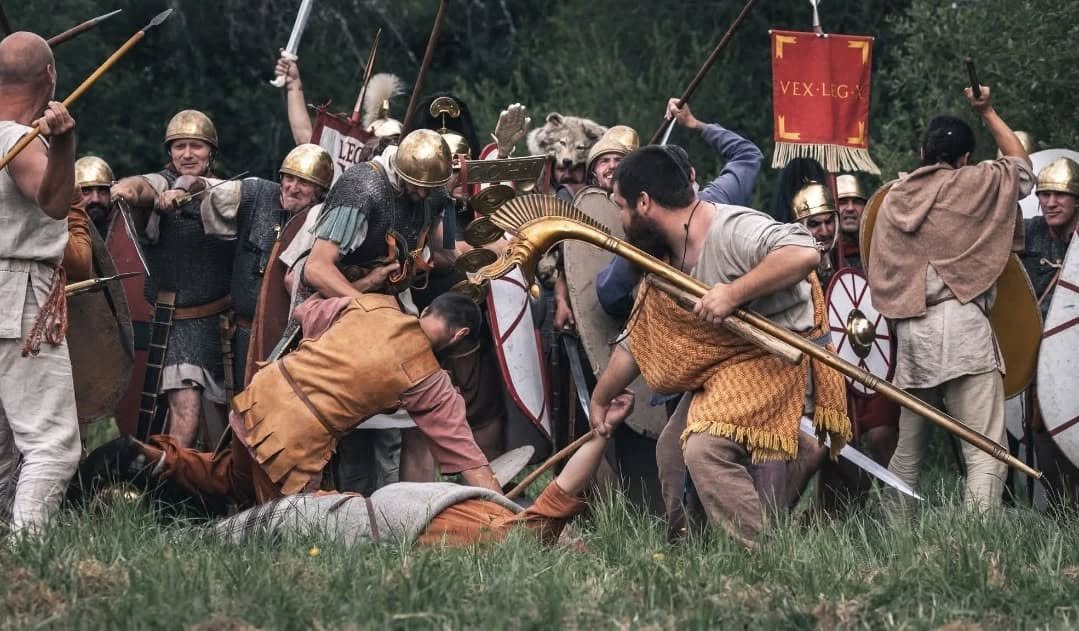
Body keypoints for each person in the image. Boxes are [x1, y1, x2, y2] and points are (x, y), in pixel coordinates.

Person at [589, 146, 850, 547]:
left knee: (705, 448)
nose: (621, 219)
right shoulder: (663, 255)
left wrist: (733, 293)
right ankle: (689, 549)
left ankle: (761, 555)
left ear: (645, 203)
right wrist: (602, 397)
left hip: (777, 358)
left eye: (622, 207)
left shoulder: (730, 229)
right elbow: (641, 338)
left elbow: (803, 251)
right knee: (672, 455)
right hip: (723, 364)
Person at [84, 292, 503, 511]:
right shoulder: (430, 379)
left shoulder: (374, 305)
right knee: (299, 525)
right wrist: (505, 512)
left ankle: (144, 457)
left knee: (233, 479)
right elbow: (470, 460)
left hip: (260, 397)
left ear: (428, 309)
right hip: (294, 438)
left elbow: (304, 312)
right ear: (460, 336)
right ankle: (199, 532)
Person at [866, 85, 1033, 512]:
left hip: (914, 332)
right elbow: (1022, 168)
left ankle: (895, 539)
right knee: (986, 451)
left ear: (922, 151)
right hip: (965, 330)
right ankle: (976, 548)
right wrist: (988, 110)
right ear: (964, 159)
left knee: (907, 453)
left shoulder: (893, 199)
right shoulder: (975, 184)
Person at [212, 391, 636, 548]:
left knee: (225, 534)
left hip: (337, 521)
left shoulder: (511, 534)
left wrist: (602, 434)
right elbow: (560, 493)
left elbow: (561, 492)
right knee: (227, 526)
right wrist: (603, 432)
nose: (580, 545)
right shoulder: (513, 527)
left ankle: (162, 465)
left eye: (576, 544)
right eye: (579, 542)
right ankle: (161, 465)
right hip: (337, 510)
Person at [111, 110, 236, 449]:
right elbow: (145, 186)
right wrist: (125, 190)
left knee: (225, 422)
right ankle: (171, 491)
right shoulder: (160, 186)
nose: (187, 154)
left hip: (223, 327)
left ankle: (210, 495)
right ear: (170, 152)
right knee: (187, 413)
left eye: (196, 146)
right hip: (177, 328)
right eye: (179, 146)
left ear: (211, 152)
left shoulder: (226, 196)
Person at [0, 32, 82, 533]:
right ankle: (31, 553)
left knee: (7, 441)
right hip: (16, 289)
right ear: (50, 76)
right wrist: (65, 140)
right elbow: (55, 203)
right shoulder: (17, 141)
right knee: (53, 442)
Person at [181, 143, 332, 389]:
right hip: (242, 332)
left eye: (303, 183)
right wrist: (184, 186)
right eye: (289, 178)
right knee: (240, 408)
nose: (292, 188)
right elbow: (212, 190)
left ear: (320, 191)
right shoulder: (258, 194)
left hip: (293, 340)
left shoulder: (325, 225)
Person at [595, 99, 764, 319]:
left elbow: (611, 295)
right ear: (691, 175)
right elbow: (748, 155)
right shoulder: (719, 196)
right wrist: (695, 124)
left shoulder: (645, 233)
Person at [1020, 157, 1079, 510]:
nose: (1050, 203)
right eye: (1044, 195)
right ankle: (1058, 512)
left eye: (1060, 195)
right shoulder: (1030, 233)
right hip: (1043, 355)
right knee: (1043, 426)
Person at [74, 155, 115, 238]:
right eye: (86, 191)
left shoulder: (125, 233)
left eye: (103, 191)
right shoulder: (60, 237)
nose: (96, 199)